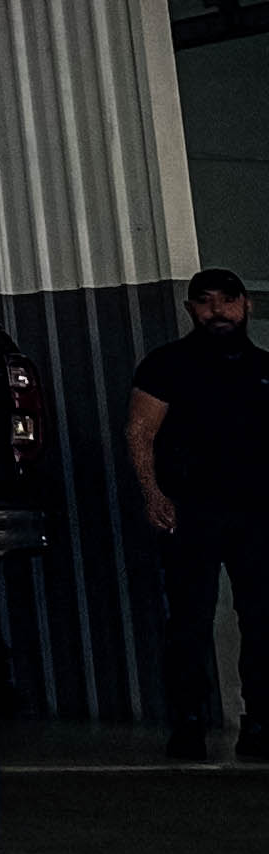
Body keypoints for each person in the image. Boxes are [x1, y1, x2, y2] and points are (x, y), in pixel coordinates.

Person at [128, 268, 269, 762]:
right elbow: (139, 432)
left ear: (246, 304)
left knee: (262, 619)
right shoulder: (167, 365)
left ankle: (260, 723)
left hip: (257, 515)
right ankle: (188, 723)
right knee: (189, 620)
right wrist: (153, 494)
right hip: (190, 512)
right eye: (205, 301)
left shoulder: (263, 368)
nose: (217, 310)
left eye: (227, 299)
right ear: (190, 308)